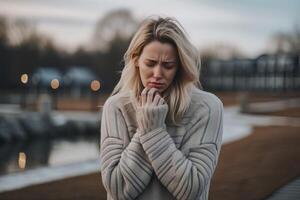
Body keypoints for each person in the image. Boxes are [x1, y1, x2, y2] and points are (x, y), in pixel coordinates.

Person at [100, 16, 223, 200]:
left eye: (168, 65)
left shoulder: (207, 107)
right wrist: (147, 127)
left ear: (180, 66)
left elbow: (191, 189)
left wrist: (154, 130)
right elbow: (118, 188)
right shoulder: (116, 107)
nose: (157, 74)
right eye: (150, 63)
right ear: (136, 60)